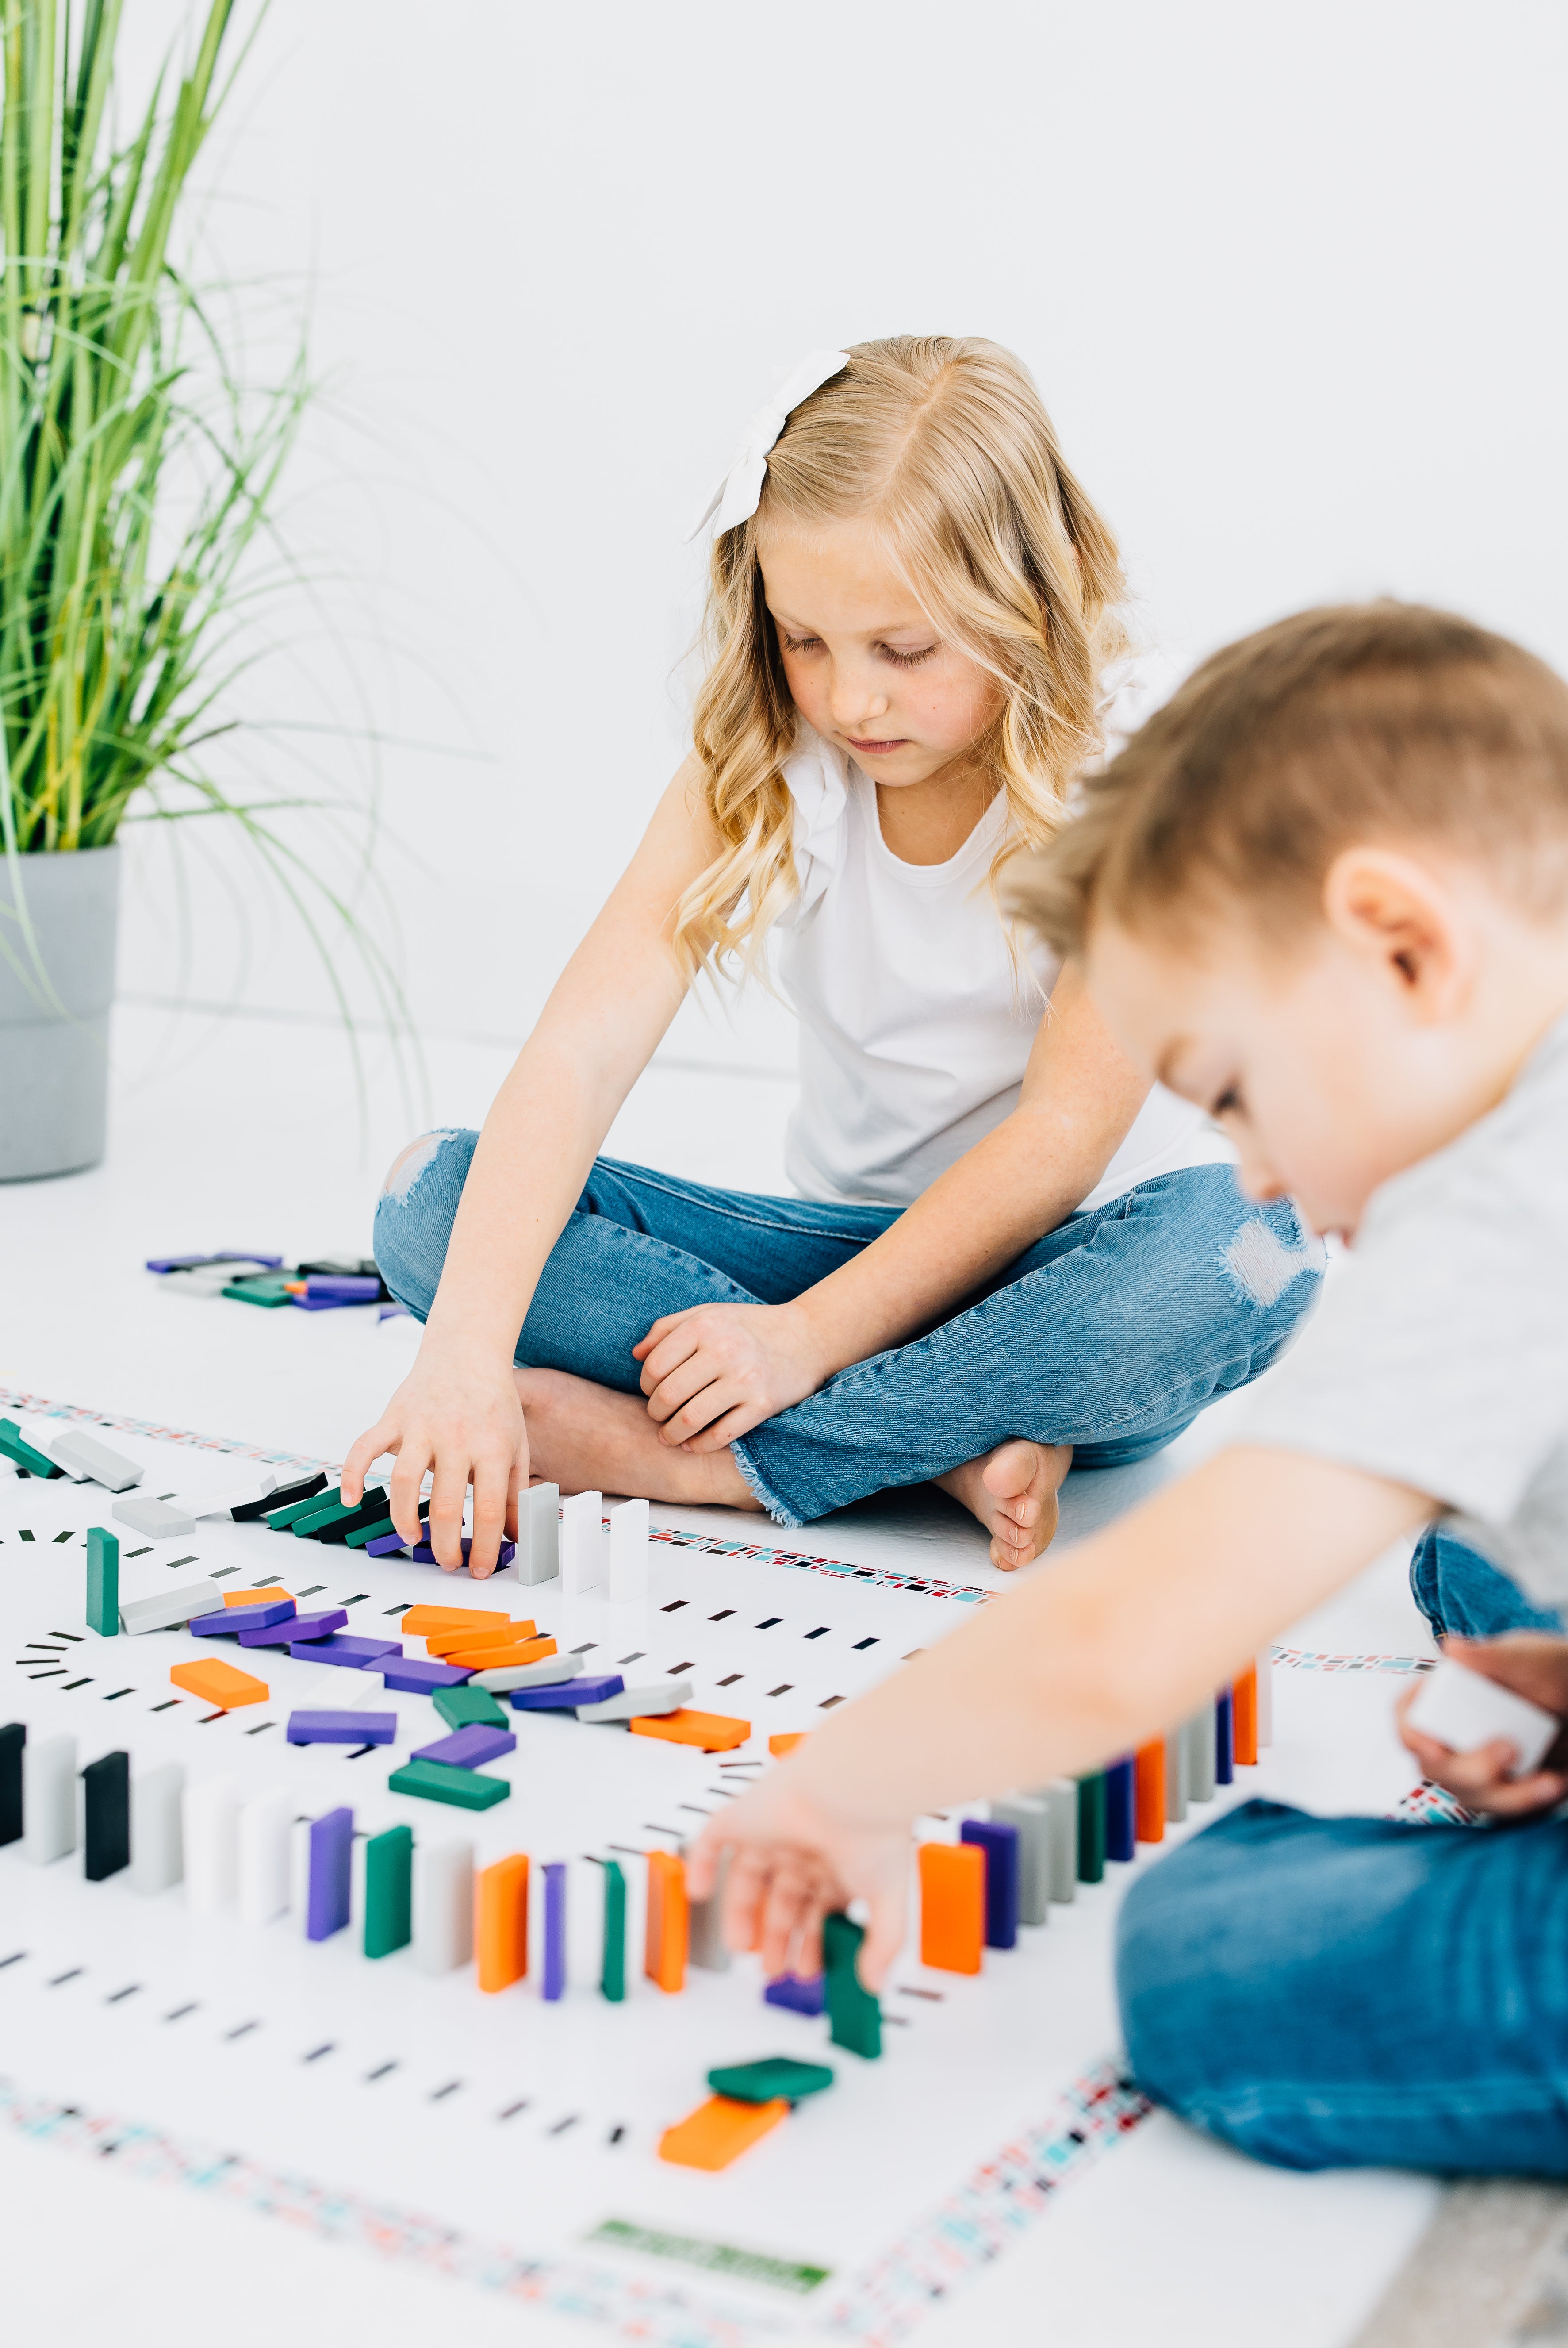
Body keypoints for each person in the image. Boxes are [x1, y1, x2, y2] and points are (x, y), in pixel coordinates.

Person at [688, 601, 1568, 2177]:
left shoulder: (1507, 1192)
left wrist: (836, 1792)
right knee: (1478, 1548)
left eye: (1237, 1092)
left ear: (1407, 949)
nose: (1253, 1167)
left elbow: (1119, 1644)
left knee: (1204, 1953)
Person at [345, 338, 1319, 1576]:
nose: (851, 701)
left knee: (1256, 1239)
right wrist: (462, 1362)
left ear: (1027, 603)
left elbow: (1063, 1133)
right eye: (805, 642)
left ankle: (719, 1462)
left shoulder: (1146, 757)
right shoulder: (768, 748)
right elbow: (583, 1048)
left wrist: (800, 1348)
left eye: (903, 651)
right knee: (427, 1201)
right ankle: (937, 1445)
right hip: (833, 1258)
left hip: (1065, 1276)